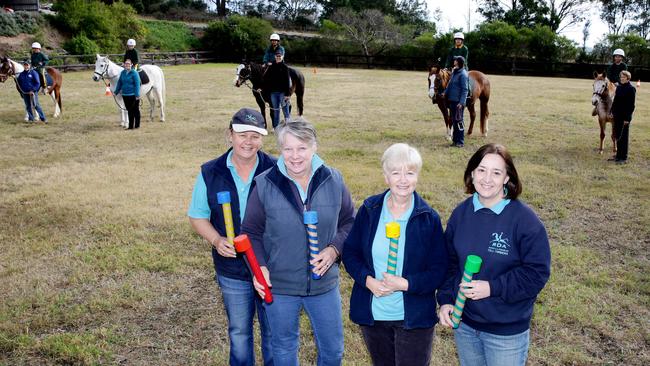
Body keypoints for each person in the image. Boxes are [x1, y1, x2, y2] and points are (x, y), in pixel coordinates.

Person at [242, 119, 355, 366]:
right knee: (283, 350)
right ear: (280, 150)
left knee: (333, 351)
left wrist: (334, 249)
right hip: (280, 286)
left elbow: (350, 222)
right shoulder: (265, 183)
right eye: (288, 149)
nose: (295, 156)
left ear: (314, 147)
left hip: (324, 286)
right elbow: (250, 231)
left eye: (302, 148)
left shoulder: (333, 180)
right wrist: (258, 267)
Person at [437, 143, 551, 366]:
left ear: (507, 178)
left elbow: (536, 274)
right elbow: (450, 264)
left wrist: (492, 287)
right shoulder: (461, 214)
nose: (487, 178)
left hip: (505, 333)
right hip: (466, 326)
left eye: (496, 172)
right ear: (472, 173)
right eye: (481, 170)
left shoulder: (525, 221)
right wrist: (446, 300)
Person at [342, 143, 448, 366]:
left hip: (413, 317)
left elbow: (439, 270)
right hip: (374, 315)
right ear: (385, 176)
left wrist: (405, 284)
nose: (403, 179)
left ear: (417, 176)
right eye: (395, 172)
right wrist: (367, 280)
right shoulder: (370, 210)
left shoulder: (428, 218)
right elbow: (350, 253)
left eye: (410, 173)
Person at [188, 107, 275, 366]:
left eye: (255, 135)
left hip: (270, 268)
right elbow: (197, 216)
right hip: (232, 270)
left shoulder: (276, 170)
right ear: (230, 135)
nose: (248, 142)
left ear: (262, 138)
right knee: (239, 332)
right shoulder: (210, 172)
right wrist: (216, 240)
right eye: (242, 134)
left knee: (274, 332)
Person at [609, 70, 636, 164]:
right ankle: (618, 155)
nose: (622, 78)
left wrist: (627, 119)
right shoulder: (619, 87)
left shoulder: (631, 89)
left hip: (624, 117)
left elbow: (631, 106)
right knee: (617, 136)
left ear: (628, 78)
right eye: (621, 77)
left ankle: (623, 158)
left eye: (624, 77)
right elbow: (615, 101)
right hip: (616, 115)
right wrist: (611, 111)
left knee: (623, 137)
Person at [443, 56, 469, 147]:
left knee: (459, 122)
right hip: (452, 101)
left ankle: (460, 142)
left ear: (459, 62)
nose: (454, 61)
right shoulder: (454, 72)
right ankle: (455, 141)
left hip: (458, 103)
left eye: (455, 60)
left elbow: (465, 90)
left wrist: (461, 103)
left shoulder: (463, 74)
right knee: (454, 122)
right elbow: (449, 85)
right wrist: (445, 93)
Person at [263, 51, 291, 129]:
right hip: (273, 93)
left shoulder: (285, 67)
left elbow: (287, 82)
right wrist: (261, 88)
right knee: (276, 111)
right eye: (277, 56)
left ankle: (289, 127)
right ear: (275, 57)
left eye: (280, 56)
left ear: (282, 57)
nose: (278, 57)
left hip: (283, 93)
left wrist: (287, 94)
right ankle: (276, 127)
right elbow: (266, 79)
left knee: (285, 110)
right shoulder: (271, 67)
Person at [113, 59, 141, 130]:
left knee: (135, 110)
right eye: (126, 63)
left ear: (131, 64)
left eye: (128, 64)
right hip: (125, 95)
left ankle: (137, 125)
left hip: (133, 95)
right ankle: (131, 126)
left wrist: (137, 95)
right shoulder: (122, 72)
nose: (127, 65)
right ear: (124, 64)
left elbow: (137, 84)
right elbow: (119, 83)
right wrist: (116, 92)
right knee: (129, 111)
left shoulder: (134, 73)